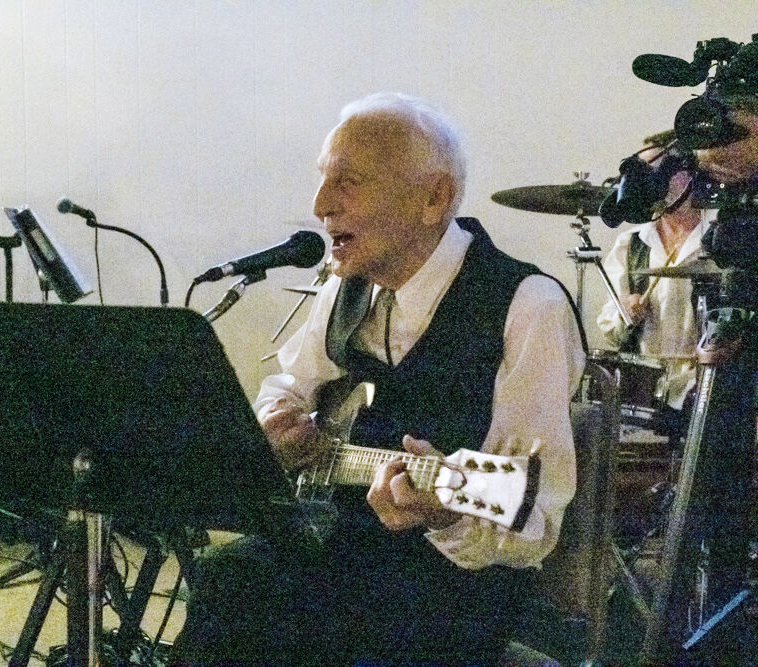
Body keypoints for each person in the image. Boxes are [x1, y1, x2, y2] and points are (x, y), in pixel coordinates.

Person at [173, 93, 585, 665]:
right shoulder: (346, 286)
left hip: (455, 589)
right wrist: (276, 424)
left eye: (349, 183)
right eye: (323, 180)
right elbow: (289, 385)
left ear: (433, 198)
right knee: (228, 578)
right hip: (343, 544)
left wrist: (445, 512)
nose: (320, 205)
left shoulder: (528, 304)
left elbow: (533, 520)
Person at [596, 143, 712, 423]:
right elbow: (609, 325)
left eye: (660, 171)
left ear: (687, 173)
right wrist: (625, 312)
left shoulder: (718, 238)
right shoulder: (631, 243)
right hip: (645, 390)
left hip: (707, 386)